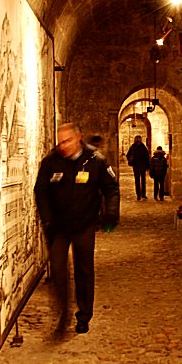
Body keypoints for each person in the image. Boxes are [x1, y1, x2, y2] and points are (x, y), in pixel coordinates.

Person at [34, 123, 120, 337]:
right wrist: (47, 219)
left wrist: (110, 215)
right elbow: (41, 191)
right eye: (60, 142)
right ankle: (63, 313)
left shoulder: (95, 161)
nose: (63, 146)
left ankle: (83, 315)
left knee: (84, 269)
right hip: (59, 226)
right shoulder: (50, 162)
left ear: (78, 138)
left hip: (84, 224)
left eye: (67, 141)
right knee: (58, 269)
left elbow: (110, 188)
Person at [125, 134, 150, 201]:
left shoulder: (133, 147)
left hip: (136, 166)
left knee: (137, 181)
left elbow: (128, 155)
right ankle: (143, 195)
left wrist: (132, 161)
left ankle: (139, 195)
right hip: (142, 166)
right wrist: (147, 165)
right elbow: (147, 156)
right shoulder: (143, 147)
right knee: (143, 180)